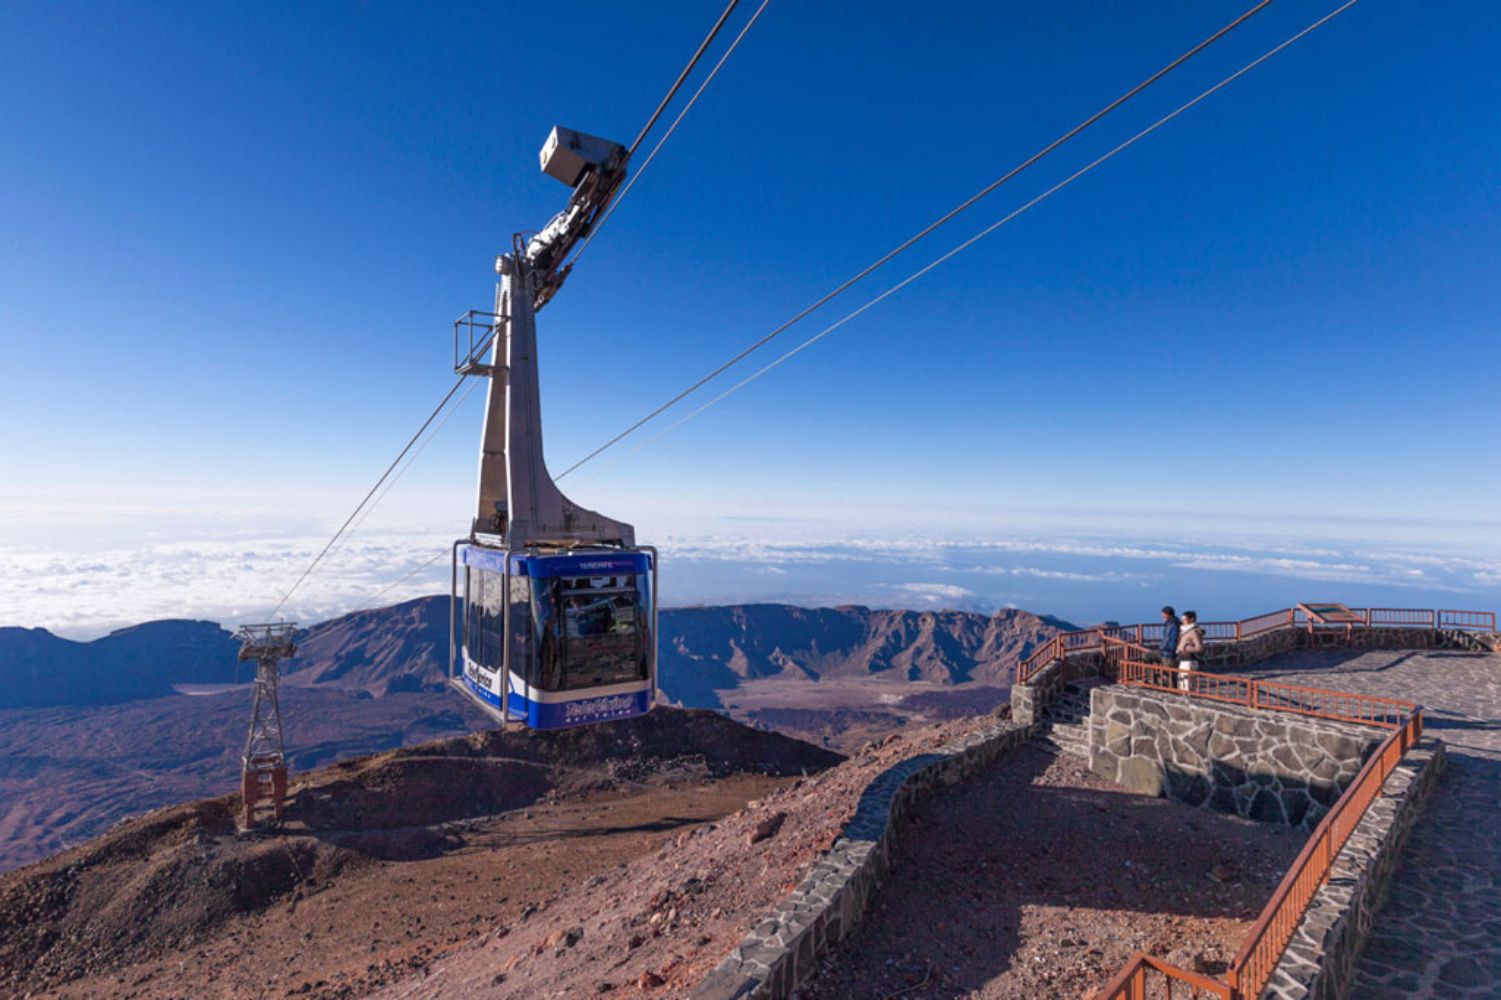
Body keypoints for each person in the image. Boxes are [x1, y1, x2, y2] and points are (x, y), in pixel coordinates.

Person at [1176, 610, 1204, 691]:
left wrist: (1186, 648)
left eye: (1184, 619)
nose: (1182, 621)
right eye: (1182, 619)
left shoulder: (1193, 632)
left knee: (1187, 685)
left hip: (1189, 660)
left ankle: (1188, 701)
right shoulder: (1184, 631)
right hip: (1182, 659)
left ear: (1191, 619)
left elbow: (1200, 648)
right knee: (1182, 684)